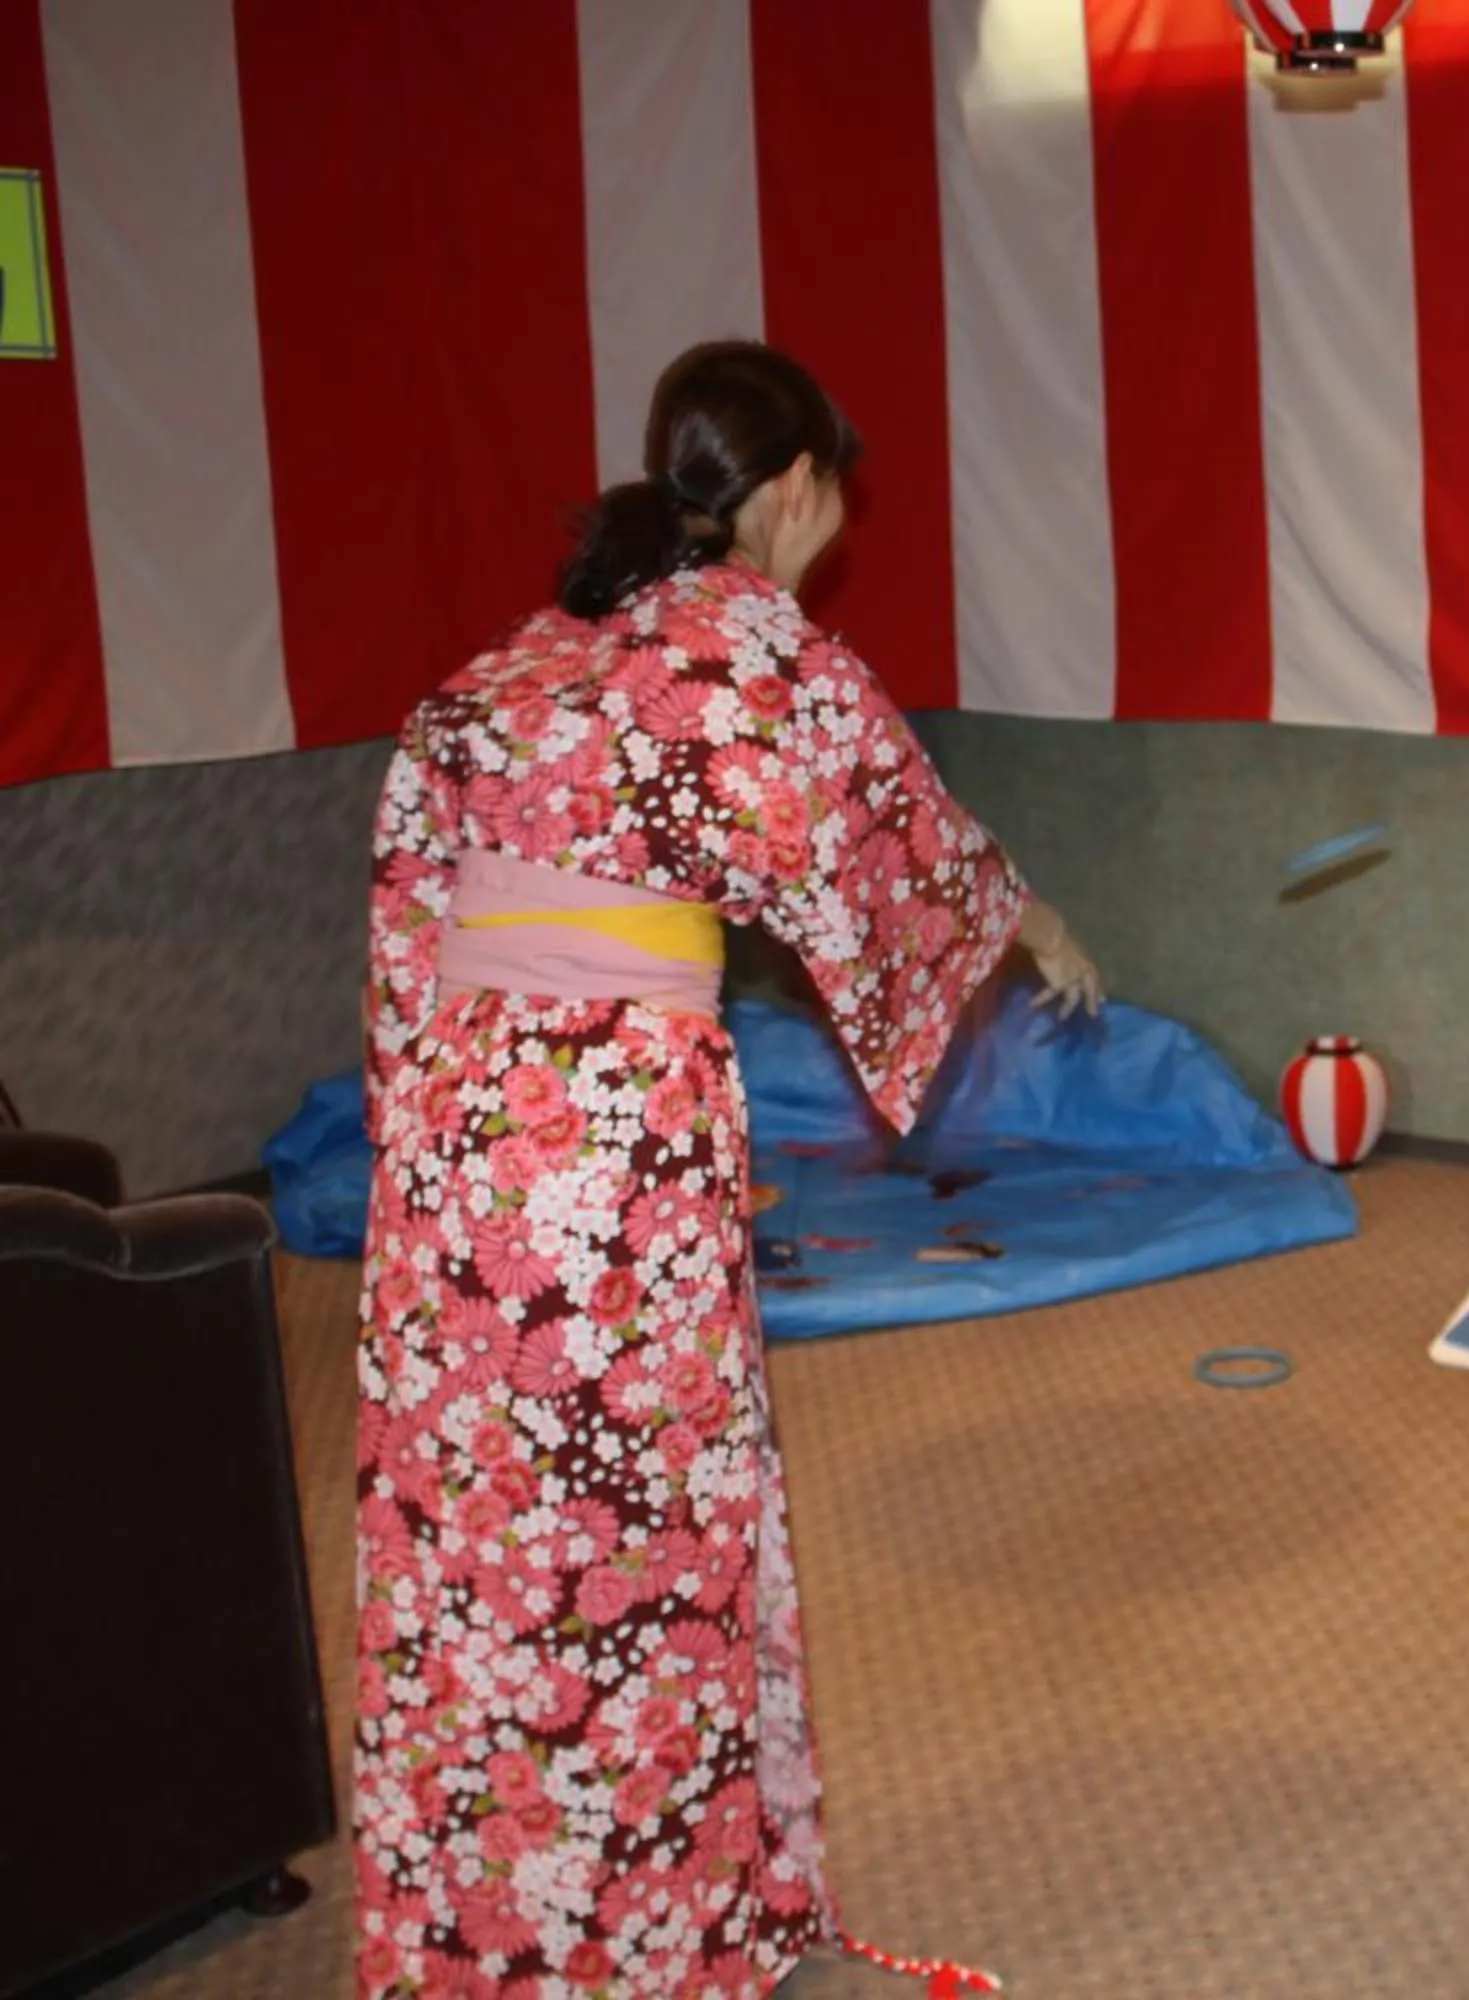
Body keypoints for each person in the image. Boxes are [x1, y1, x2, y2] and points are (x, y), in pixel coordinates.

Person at [352, 341, 1098, 1995]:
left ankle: (486, 1926)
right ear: (797, 488)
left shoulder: (531, 655)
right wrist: (1033, 921)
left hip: (463, 1140)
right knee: (644, 1525)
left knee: (486, 1525)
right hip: (614, 1139)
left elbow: (408, 893)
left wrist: (425, 1127)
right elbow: (903, 851)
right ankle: (646, 1934)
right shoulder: (762, 659)